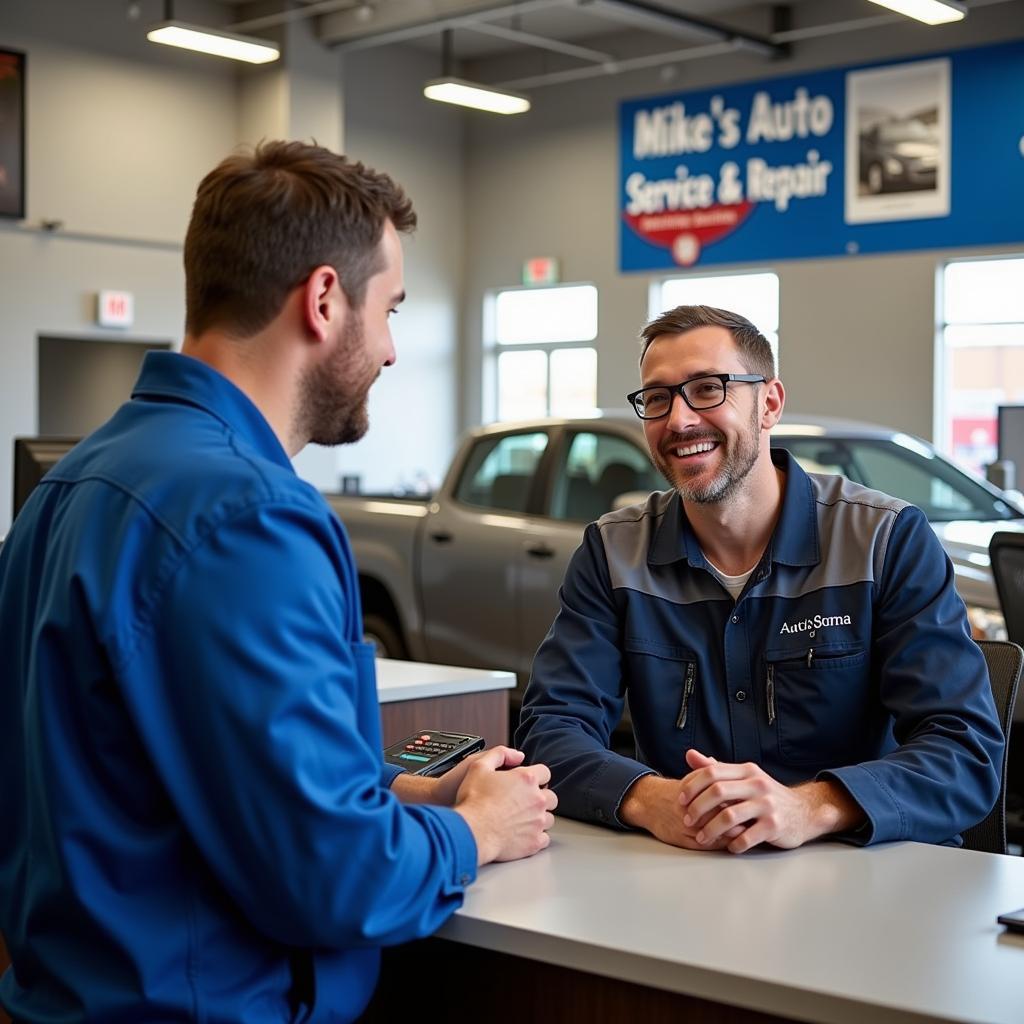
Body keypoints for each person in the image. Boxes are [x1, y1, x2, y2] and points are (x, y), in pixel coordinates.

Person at [0, 141, 556, 1024]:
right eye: (391, 310)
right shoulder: (250, 515)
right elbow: (336, 879)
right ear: (325, 300)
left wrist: (386, 789)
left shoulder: (72, 484)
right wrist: (476, 830)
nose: (391, 351)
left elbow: (146, 761)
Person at [516, 304, 1003, 854]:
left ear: (769, 403)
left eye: (707, 388)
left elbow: (965, 754)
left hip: (862, 876)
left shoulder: (884, 542)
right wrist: (653, 799)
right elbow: (550, 731)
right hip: (685, 874)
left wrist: (810, 806)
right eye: (657, 398)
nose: (679, 421)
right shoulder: (613, 552)